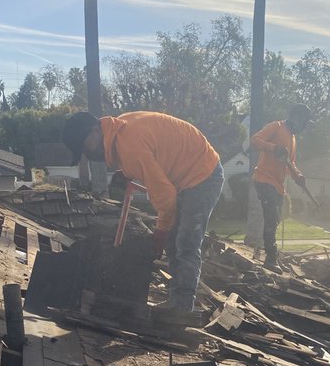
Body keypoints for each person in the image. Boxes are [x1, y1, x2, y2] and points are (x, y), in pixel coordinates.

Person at [62, 110, 223, 314]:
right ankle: (177, 302)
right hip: (185, 173)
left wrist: (161, 232)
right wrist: (127, 172)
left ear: (95, 131)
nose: (87, 154)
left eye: (85, 147)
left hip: (203, 174)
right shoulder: (119, 128)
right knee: (175, 242)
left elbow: (166, 198)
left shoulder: (129, 147)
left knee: (186, 241)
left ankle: (182, 309)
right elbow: (153, 152)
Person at [250, 103, 311, 273]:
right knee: (271, 218)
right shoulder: (276, 127)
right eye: (303, 120)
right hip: (264, 179)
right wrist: (273, 148)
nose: (303, 125)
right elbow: (254, 140)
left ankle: (272, 255)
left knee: (274, 220)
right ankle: (270, 259)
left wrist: (297, 175)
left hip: (277, 185)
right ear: (296, 117)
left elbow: (290, 164)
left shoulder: (292, 138)